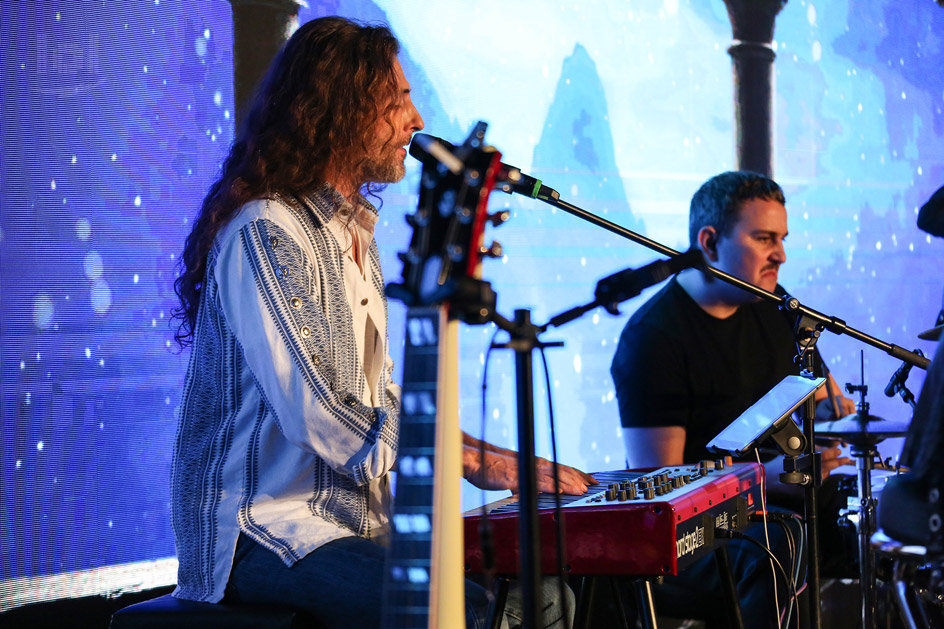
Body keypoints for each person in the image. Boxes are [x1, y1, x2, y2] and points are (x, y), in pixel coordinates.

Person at [170, 17, 594, 629]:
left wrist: (506, 459)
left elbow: (380, 400)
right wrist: (476, 464)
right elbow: (325, 416)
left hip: (356, 524)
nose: (416, 120)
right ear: (340, 107)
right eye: (397, 100)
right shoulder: (267, 231)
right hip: (262, 532)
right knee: (479, 614)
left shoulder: (355, 238)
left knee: (552, 589)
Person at [609, 171, 856, 627]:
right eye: (764, 238)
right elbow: (665, 487)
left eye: (781, 238)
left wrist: (837, 422)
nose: (780, 255)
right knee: (781, 541)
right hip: (702, 534)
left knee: (879, 518)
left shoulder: (777, 305)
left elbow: (831, 401)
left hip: (780, 504)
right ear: (709, 241)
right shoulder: (654, 339)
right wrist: (771, 477)